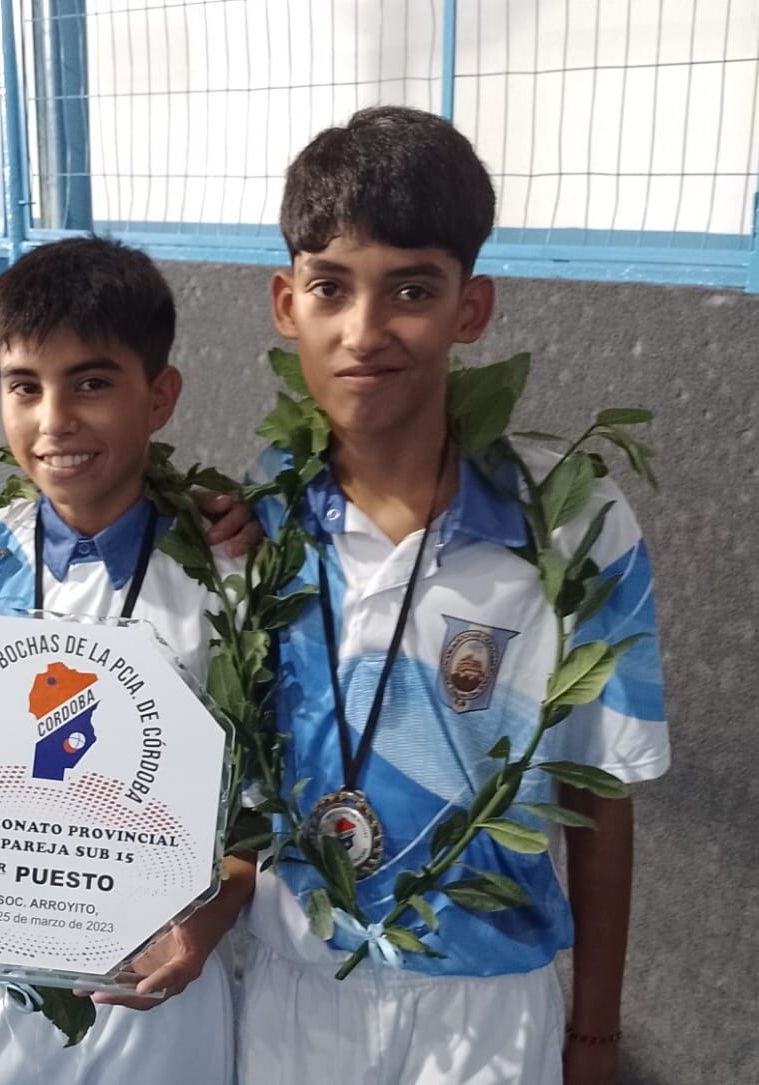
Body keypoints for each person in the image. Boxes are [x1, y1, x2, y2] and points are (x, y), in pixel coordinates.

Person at [237, 106, 669, 1085]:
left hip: (487, 1001)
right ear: (283, 301)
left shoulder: (570, 522)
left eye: (410, 289)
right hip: (293, 980)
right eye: (330, 287)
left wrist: (593, 1034)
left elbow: (597, 794)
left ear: (467, 309)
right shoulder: (256, 521)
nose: (364, 330)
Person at [0, 237, 255, 1085]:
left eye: (93, 381)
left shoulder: (228, 579)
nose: (54, 418)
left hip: (152, 995)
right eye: (25, 386)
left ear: (160, 397)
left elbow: (264, 815)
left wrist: (200, 930)